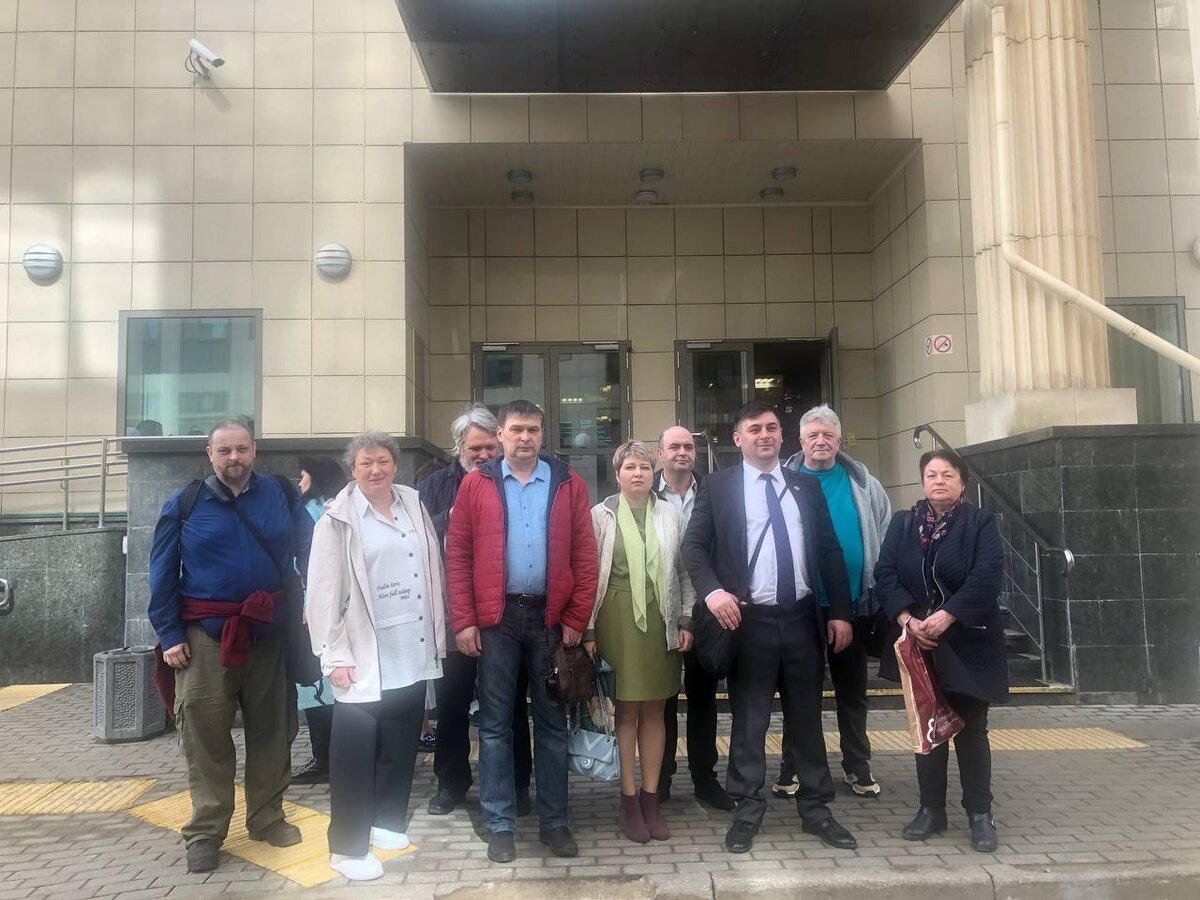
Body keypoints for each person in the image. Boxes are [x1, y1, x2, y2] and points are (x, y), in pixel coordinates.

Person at [681, 401, 857, 855]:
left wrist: (840, 611)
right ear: (737, 438)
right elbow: (693, 548)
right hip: (749, 623)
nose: (765, 435)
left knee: (807, 719)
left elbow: (829, 551)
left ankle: (816, 809)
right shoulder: (718, 486)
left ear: (782, 436)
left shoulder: (804, 486)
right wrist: (712, 593)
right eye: (754, 428)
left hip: (801, 620)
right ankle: (747, 810)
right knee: (749, 721)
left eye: (772, 428)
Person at [148, 420, 314, 874]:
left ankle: (267, 817)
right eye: (224, 451)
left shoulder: (280, 494)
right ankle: (205, 831)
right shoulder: (185, 503)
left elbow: (311, 548)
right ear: (209, 454)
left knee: (273, 732)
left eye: (241, 449)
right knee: (204, 738)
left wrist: (315, 602)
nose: (234, 458)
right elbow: (161, 572)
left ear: (254, 450)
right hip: (204, 639)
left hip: (269, 636)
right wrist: (170, 633)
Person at [445, 399, 598, 864]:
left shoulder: (568, 484)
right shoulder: (476, 484)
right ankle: (499, 825)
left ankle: (555, 823)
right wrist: (464, 620)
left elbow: (585, 555)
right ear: (502, 435)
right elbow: (458, 556)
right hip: (498, 622)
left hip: (550, 619)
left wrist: (576, 618)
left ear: (542, 433)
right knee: (494, 727)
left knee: (552, 726)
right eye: (517, 429)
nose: (525, 437)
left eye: (533, 429)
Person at [305, 432, 447, 881]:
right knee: (354, 748)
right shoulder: (337, 519)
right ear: (353, 469)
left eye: (383, 461)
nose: (375, 470)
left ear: (395, 465)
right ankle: (346, 846)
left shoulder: (412, 502)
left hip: (411, 643)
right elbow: (322, 595)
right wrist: (333, 655)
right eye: (366, 463)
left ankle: (386, 821)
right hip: (363, 649)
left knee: (401, 739)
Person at [873, 449, 1006, 853]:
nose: (939, 481)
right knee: (928, 727)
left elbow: (987, 576)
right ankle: (931, 810)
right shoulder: (904, 523)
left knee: (970, 728)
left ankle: (980, 814)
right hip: (919, 642)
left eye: (948, 474)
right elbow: (885, 574)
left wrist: (947, 616)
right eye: (931, 474)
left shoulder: (980, 523)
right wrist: (908, 620)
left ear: (962, 482)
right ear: (922, 482)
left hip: (967, 641)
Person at [418, 404, 534, 817]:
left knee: (510, 703)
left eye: (489, 447)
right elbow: (418, 537)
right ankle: (451, 782)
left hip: (506, 613)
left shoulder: (512, 479)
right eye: (475, 448)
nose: (484, 455)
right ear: (459, 448)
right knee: (451, 702)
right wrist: (449, 518)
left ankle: (517, 783)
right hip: (454, 612)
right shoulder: (435, 484)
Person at [773, 404, 891, 799]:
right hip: (801, 606)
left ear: (839, 441)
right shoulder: (784, 481)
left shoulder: (864, 483)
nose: (820, 441)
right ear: (801, 441)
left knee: (852, 691)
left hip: (853, 603)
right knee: (799, 691)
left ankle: (857, 765)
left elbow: (884, 532)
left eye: (828, 435)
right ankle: (792, 766)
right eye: (813, 436)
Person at [585, 440, 694, 844]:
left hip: (661, 618)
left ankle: (651, 798)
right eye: (630, 467)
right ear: (617, 474)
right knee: (626, 710)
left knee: (656, 709)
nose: (638, 473)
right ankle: (628, 799)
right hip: (615, 618)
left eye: (645, 467)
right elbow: (588, 574)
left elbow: (684, 571)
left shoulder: (670, 514)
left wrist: (686, 618)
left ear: (654, 473)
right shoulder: (600, 515)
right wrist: (587, 629)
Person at [655, 426, 733, 811]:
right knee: (664, 699)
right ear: (660, 454)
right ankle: (661, 779)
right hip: (663, 609)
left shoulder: (714, 490)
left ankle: (705, 779)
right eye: (674, 446)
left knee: (704, 698)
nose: (682, 452)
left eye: (688, 446)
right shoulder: (646, 493)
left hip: (708, 608)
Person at [291, 455, 350, 787]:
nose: (300, 483)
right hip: (337, 610)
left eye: (303, 476)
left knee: (315, 684)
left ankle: (324, 757)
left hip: (313, 610)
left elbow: (311, 564)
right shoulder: (343, 505)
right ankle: (337, 755)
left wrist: (308, 601)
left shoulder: (314, 511)